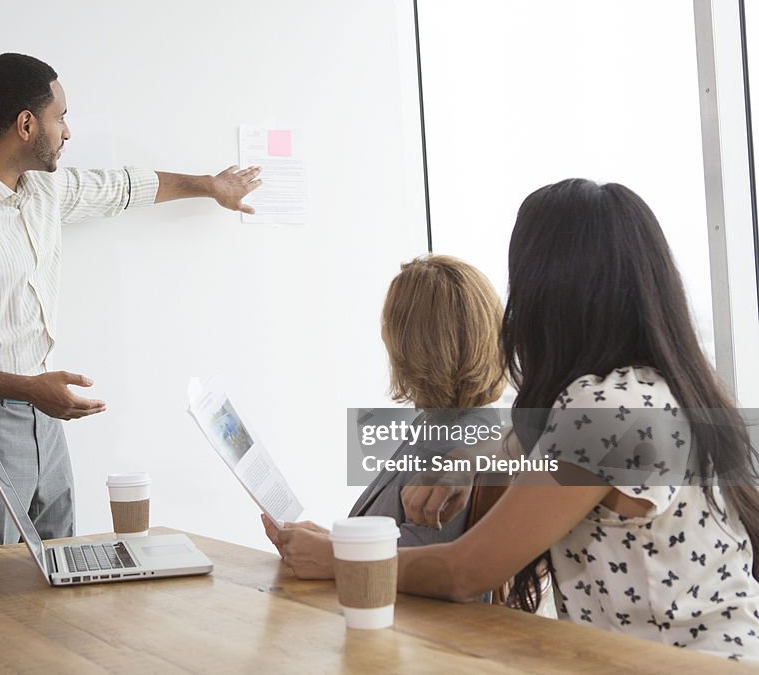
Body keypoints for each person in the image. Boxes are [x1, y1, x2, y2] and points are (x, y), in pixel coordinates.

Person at [0, 53, 261, 553]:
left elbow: (120, 188)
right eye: (60, 116)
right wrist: (27, 388)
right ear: (25, 124)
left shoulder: (41, 190)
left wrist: (209, 187)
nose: (66, 131)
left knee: (58, 582)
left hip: (45, 424)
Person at [396, 179, 759, 662]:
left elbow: (467, 572)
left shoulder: (609, 410)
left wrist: (341, 557)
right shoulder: (651, 387)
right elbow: (522, 445)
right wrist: (466, 462)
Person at [262, 255, 506, 579]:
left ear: (412, 345)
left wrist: (331, 554)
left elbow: (421, 565)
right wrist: (329, 544)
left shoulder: (454, 441)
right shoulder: (440, 423)